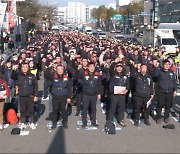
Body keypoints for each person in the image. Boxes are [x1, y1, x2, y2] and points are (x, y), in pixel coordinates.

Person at [11, 62, 38, 130]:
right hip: (22, 95)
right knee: (22, 110)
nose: (24, 68)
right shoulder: (19, 75)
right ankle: (23, 123)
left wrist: (36, 95)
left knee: (31, 110)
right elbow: (12, 76)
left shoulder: (32, 76)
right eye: (23, 67)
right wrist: (14, 70)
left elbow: (35, 86)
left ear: (28, 68)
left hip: (30, 95)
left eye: (26, 67)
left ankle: (31, 122)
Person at [47, 65, 72, 129]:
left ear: (63, 70)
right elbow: (46, 74)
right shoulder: (53, 77)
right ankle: (54, 124)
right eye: (58, 69)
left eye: (61, 69)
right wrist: (50, 67)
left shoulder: (67, 78)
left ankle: (65, 123)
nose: (60, 71)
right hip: (55, 97)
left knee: (64, 111)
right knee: (55, 111)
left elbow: (69, 88)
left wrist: (69, 97)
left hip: (63, 97)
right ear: (56, 70)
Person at [78, 62, 101, 128]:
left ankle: (93, 121)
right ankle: (84, 122)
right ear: (88, 67)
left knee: (93, 108)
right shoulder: (83, 73)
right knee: (85, 108)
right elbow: (78, 79)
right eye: (90, 67)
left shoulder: (97, 74)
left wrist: (99, 93)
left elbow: (99, 85)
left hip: (94, 94)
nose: (92, 68)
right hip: (86, 94)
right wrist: (81, 83)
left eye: (93, 67)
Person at [154, 59, 177, 124]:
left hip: (169, 91)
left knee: (168, 106)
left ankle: (166, 117)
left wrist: (174, 90)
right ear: (163, 65)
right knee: (159, 105)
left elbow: (174, 82)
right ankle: (158, 118)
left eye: (168, 64)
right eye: (165, 64)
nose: (167, 66)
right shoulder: (159, 71)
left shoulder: (171, 72)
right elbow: (155, 76)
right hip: (161, 91)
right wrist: (156, 67)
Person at [108, 63, 130, 127]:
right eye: (118, 67)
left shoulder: (125, 76)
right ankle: (110, 120)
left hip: (122, 95)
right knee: (112, 107)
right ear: (116, 68)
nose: (119, 68)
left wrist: (127, 89)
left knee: (122, 108)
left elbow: (128, 84)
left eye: (121, 67)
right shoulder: (113, 75)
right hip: (114, 94)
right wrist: (113, 91)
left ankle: (121, 120)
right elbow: (110, 85)